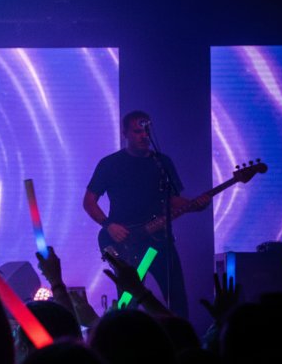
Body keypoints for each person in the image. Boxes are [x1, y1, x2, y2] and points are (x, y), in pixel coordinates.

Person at [83, 110, 209, 318]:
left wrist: (195, 204)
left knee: (177, 298)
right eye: (137, 131)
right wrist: (109, 225)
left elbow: (172, 200)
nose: (144, 136)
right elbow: (89, 201)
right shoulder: (110, 164)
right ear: (125, 133)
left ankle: (178, 342)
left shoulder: (162, 162)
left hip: (159, 241)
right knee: (128, 300)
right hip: (126, 241)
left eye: (146, 131)